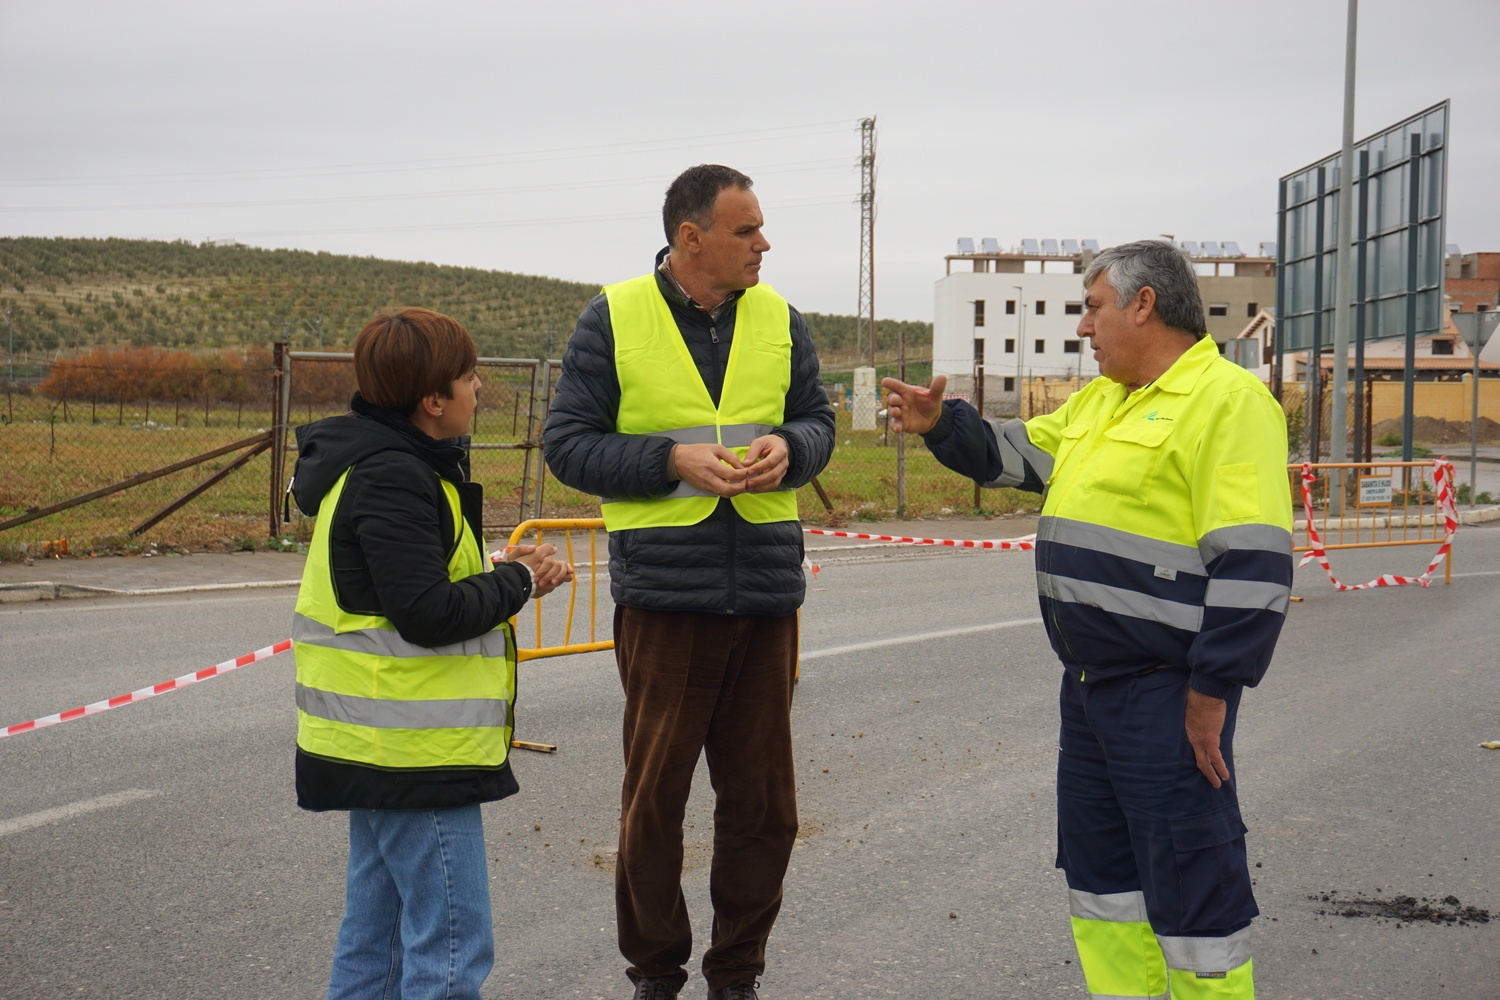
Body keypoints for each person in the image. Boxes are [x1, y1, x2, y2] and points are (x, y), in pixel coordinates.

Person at [884, 240, 1292, 1000]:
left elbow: (1255, 565)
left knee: (1190, 890)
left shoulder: (1229, 403)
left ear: (1145, 304)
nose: (1083, 328)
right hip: (1092, 688)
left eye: (1092, 308)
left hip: (1168, 696)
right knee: (1104, 887)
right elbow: (1013, 456)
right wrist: (943, 424)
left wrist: (1213, 693)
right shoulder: (1102, 402)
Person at [543, 164, 835, 1000]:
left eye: (762, 228)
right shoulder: (614, 316)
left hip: (767, 596)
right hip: (667, 604)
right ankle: (658, 972)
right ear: (691, 237)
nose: (764, 244)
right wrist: (669, 460)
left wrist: (796, 447)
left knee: (764, 809)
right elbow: (568, 444)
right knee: (655, 807)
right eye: (747, 231)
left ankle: (736, 974)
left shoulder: (780, 316)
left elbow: (816, 419)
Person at [291, 307, 573, 1000]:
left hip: (384, 752)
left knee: (376, 940)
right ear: (433, 400)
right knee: (450, 947)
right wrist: (519, 580)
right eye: (469, 376)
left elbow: (409, 587)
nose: (479, 388)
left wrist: (503, 568)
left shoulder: (391, 469)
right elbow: (426, 613)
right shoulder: (395, 477)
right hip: (412, 757)